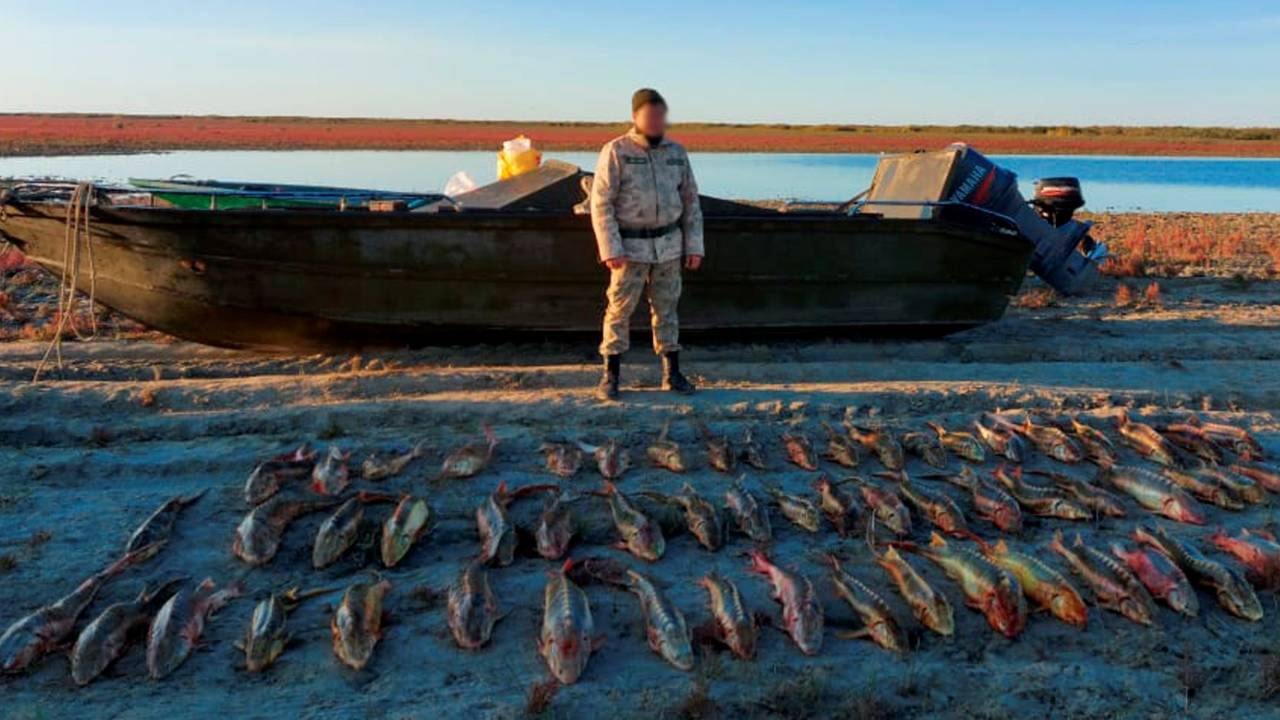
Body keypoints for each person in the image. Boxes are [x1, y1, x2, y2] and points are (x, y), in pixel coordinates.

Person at [590, 88, 704, 401]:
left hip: (669, 245)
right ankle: (611, 376)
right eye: (648, 115)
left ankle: (672, 373)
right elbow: (601, 204)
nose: (655, 121)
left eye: (660, 115)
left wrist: (694, 246)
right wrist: (610, 248)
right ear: (635, 117)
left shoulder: (677, 153)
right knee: (619, 310)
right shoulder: (616, 151)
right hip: (629, 249)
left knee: (667, 309)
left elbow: (690, 201)